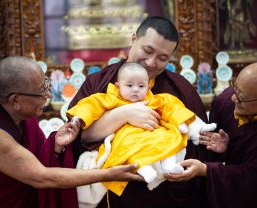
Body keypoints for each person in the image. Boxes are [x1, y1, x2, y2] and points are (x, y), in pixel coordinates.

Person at [69, 16, 212, 208]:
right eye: (147, 50)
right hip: (113, 195)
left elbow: (199, 143)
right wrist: (124, 114)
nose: (151, 63)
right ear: (134, 39)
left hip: (166, 196)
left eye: (163, 58)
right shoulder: (99, 82)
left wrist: (216, 143)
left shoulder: (180, 88)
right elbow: (78, 135)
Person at [0, 56, 143, 208]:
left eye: (46, 85)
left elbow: (31, 161)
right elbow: (40, 177)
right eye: (41, 92)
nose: (49, 95)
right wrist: (109, 174)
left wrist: (55, 146)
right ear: (15, 100)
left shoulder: (21, 114)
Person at [68, 63, 216, 197]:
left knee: (170, 138)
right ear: (118, 86)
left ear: (148, 86)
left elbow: (172, 106)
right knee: (127, 146)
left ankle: (169, 166)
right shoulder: (110, 98)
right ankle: (144, 169)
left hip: (152, 134)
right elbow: (90, 105)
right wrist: (79, 118)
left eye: (141, 86)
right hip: (127, 136)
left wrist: (181, 121)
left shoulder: (154, 99)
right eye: (129, 85)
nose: (135, 90)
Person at [167, 61, 257, 208]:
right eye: (235, 88)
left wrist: (206, 170)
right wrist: (225, 150)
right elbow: (214, 152)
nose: (233, 98)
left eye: (242, 98)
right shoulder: (225, 101)